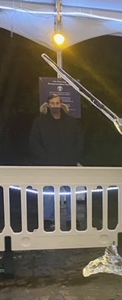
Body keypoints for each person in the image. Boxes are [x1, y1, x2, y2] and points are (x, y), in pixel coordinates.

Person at [29, 94, 83, 230]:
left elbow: (79, 140)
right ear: (48, 105)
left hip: (68, 164)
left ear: (61, 104)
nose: (55, 106)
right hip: (48, 164)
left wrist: (74, 156)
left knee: (70, 191)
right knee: (48, 192)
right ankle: (48, 219)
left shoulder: (71, 121)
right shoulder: (40, 122)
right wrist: (44, 157)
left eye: (57, 103)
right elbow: (34, 141)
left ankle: (72, 219)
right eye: (52, 103)